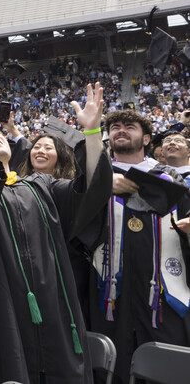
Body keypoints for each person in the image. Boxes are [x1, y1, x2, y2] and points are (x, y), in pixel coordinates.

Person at [0, 70, 112, 383]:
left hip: (55, 311)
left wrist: (91, 134)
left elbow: (90, 191)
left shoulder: (41, 186)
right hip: (2, 313)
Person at [89, 110, 190, 383]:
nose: (121, 130)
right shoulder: (94, 179)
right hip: (110, 294)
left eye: (129, 127)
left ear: (146, 138)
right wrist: (101, 186)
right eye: (116, 127)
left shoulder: (170, 180)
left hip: (163, 293)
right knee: (113, 364)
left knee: (168, 366)